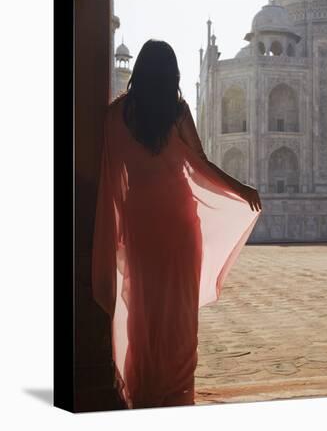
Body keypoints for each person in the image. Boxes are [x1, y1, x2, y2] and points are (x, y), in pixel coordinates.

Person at [91, 39, 262, 410]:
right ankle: (176, 396)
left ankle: (144, 393)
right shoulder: (177, 109)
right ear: (173, 75)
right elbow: (200, 164)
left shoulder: (115, 116)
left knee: (143, 313)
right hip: (181, 230)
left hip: (142, 230)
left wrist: (120, 228)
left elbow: (113, 177)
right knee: (179, 321)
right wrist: (240, 189)